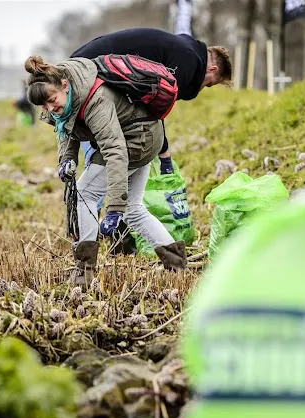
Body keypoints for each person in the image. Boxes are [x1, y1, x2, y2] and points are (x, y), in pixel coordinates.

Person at [24, 55, 188, 284]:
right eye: (44, 106)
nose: (50, 109)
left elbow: (115, 150)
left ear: (65, 85)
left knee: (85, 193)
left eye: (52, 100)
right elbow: (66, 127)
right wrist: (67, 159)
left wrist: (114, 209)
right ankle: (177, 264)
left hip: (136, 140)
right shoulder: (70, 96)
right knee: (134, 209)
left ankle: (84, 271)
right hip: (147, 136)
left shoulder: (95, 100)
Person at [69, 27, 232, 175]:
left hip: (84, 65)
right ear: (212, 69)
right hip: (87, 71)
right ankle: (92, 203)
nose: (203, 87)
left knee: (108, 145)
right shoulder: (188, 59)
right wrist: (164, 153)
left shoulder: (184, 50)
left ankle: (97, 199)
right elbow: (154, 107)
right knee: (101, 157)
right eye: (209, 83)